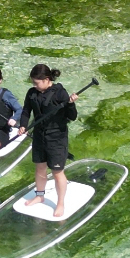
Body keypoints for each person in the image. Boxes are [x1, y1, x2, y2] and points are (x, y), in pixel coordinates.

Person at [17, 64, 79, 218]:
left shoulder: (60, 94)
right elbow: (26, 111)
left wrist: (71, 104)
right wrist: (23, 126)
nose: (34, 86)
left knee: (57, 172)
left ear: (46, 79)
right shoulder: (32, 93)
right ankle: (39, 195)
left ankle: (60, 203)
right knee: (40, 168)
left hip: (56, 137)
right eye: (33, 83)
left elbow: (72, 117)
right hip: (39, 135)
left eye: (36, 83)